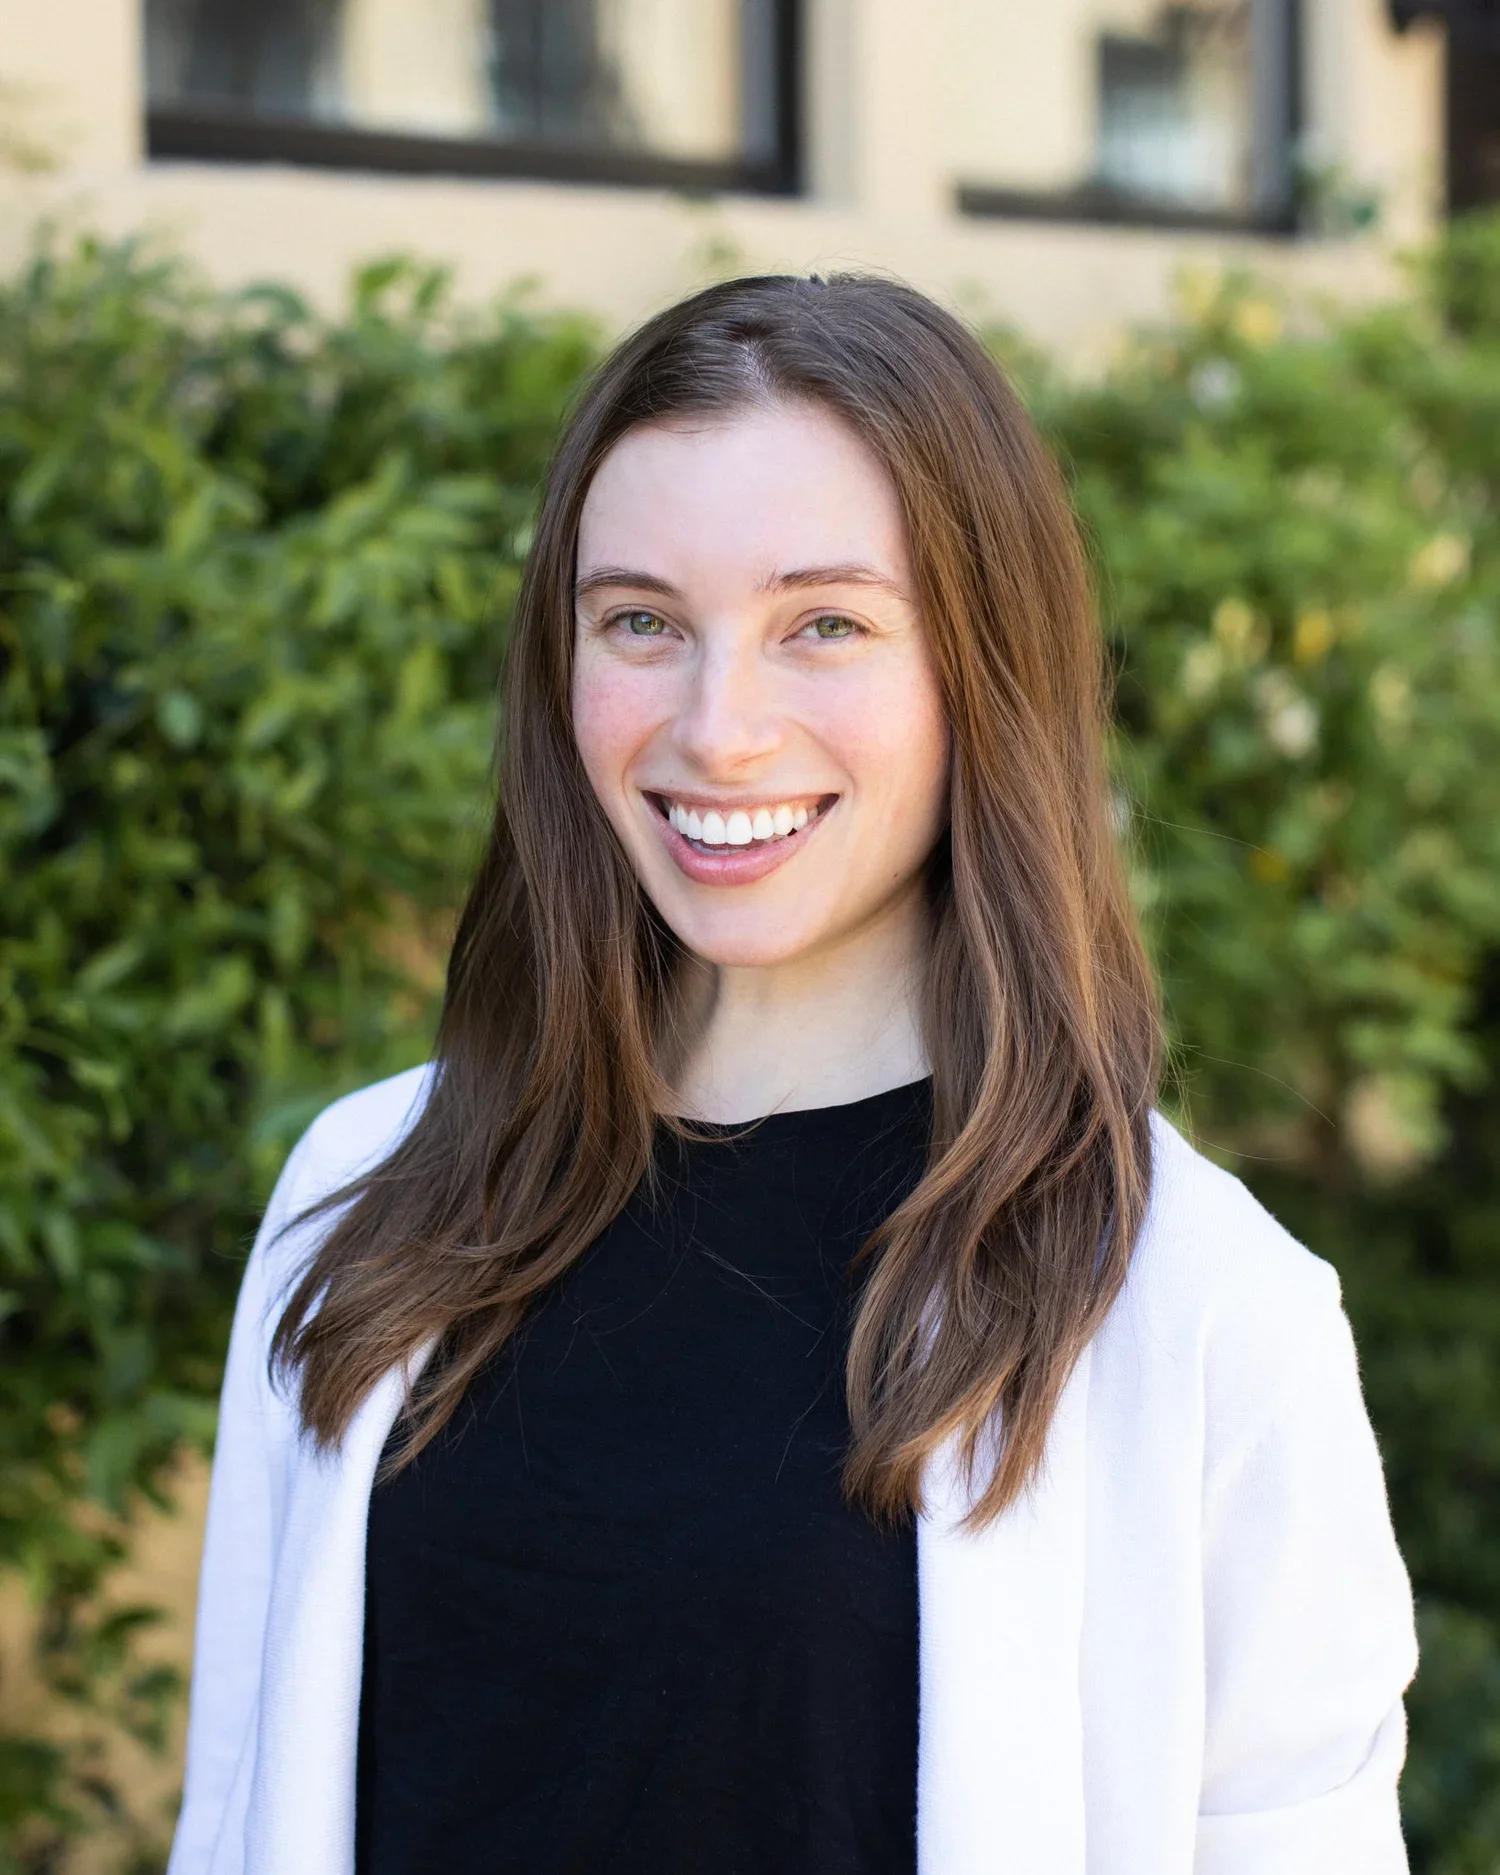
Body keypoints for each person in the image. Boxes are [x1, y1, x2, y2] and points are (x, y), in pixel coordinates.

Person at [167, 275, 1417, 1875]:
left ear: (984, 665)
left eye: (822, 622)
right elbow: (238, 1819)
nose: (718, 726)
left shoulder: (1194, 1304)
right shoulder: (363, 1197)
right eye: (642, 623)